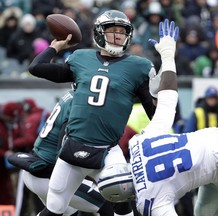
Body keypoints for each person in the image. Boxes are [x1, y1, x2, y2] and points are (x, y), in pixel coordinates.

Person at [97, 18, 218, 216]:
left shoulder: (148, 199)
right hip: (217, 159)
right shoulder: (140, 142)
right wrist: (168, 55)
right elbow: (168, 99)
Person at [28, 9, 161, 216]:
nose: (118, 36)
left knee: (123, 203)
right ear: (99, 33)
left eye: (122, 32)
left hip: (108, 151)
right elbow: (36, 67)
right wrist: (55, 47)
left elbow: (155, 113)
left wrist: (167, 71)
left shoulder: (138, 66)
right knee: (55, 207)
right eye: (112, 31)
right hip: (72, 149)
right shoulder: (81, 58)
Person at [8, 89, 116, 216]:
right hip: (48, 174)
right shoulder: (80, 102)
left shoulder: (71, 96)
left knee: (65, 212)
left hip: (39, 169)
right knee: (109, 202)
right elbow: (65, 151)